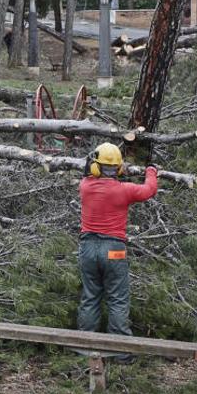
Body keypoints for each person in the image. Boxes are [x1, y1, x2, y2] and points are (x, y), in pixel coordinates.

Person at [78, 142, 158, 360]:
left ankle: (85, 347)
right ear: (120, 168)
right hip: (114, 250)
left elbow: (88, 171)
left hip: (87, 248)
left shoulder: (85, 185)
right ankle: (121, 352)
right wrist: (151, 171)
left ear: (96, 166)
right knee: (117, 299)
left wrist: (90, 164)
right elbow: (149, 190)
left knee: (90, 296)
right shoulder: (126, 190)